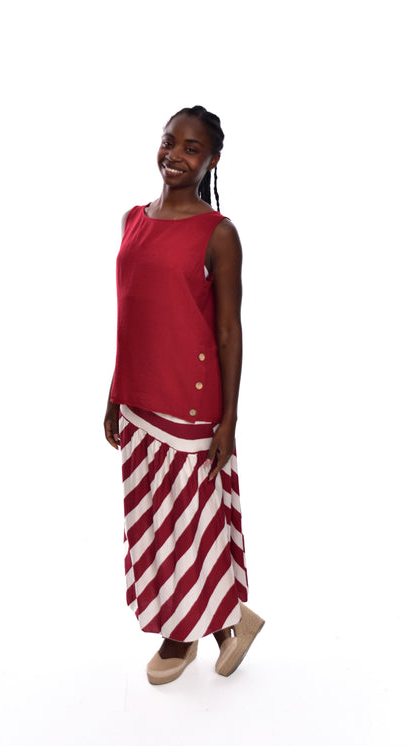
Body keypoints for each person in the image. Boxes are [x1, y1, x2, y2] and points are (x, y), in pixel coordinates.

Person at [104, 106, 264, 685]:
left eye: (192, 148)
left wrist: (230, 419)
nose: (175, 155)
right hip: (138, 396)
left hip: (192, 401)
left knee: (189, 520)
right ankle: (230, 622)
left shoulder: (219, 233)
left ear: (212, 160)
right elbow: (130, 316)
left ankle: (181, 636)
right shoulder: (133, 220)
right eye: (169, 141)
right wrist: (114, 393)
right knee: (156, 521)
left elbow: (228, 331)